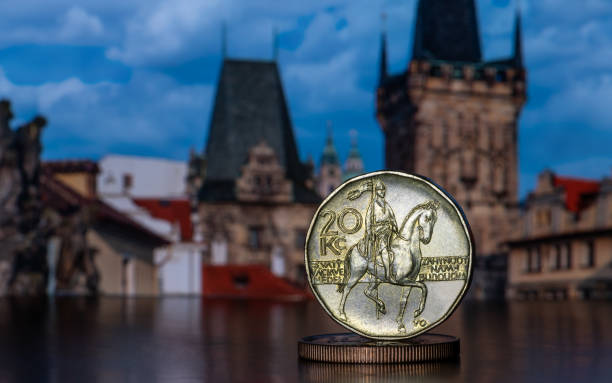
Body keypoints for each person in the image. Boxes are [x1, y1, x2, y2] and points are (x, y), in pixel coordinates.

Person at [364, 179, 398, 281]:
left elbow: (392, 217)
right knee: (384, 249)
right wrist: (370, 232)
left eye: (383, 190)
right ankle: (388, 274)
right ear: (376, 191)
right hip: (378, 230)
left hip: (389, 229)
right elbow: (368, 220)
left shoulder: (386, 205)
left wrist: (395, 226)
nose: (382, 192)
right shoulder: (373, 205)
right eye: (380, 190)